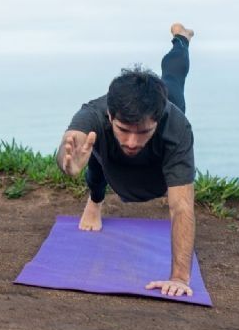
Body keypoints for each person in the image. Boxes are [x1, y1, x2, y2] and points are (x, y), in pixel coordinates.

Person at [56, 23, 196, 297]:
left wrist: (179, 277)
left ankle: (181, 39)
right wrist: (67, 163)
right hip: (108, 159)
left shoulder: (176, 126)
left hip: (156, 173)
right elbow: (69, 143)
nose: (132, 142)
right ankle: (95, 202)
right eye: (124, 130)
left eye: (143, 132)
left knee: (174, 78)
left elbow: (181, 207)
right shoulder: (94, 113)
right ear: (110, 115)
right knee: (94, 150)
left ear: (158, 120)